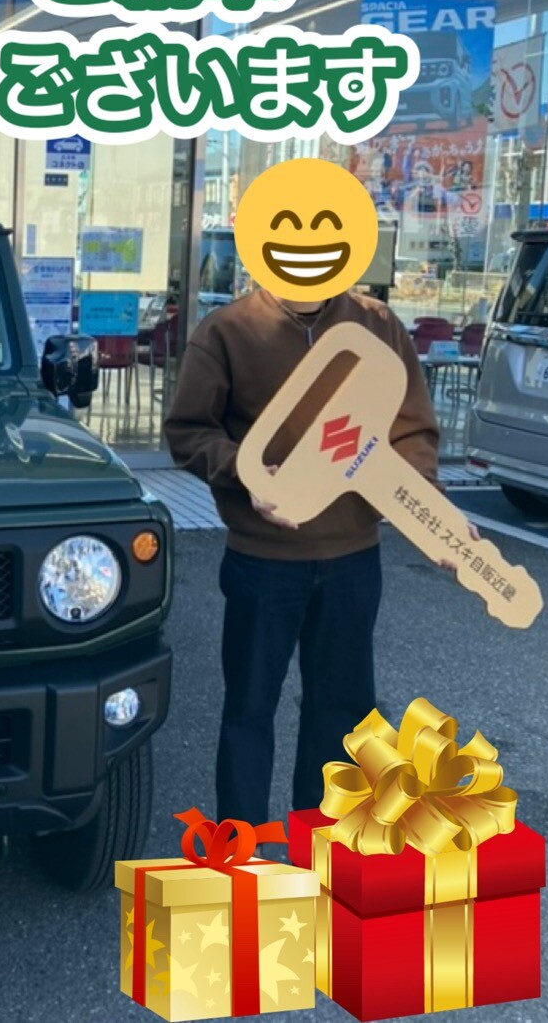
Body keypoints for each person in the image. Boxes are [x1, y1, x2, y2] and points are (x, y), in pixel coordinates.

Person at [163, 283, 450, 834]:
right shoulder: (228, 330)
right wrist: (242, 469)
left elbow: (410, 428)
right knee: (249, 710)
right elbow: (189, 430)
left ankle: (321, 851)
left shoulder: (377, 323)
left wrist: (428, 506)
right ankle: (242, 856)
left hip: (353, 556)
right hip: (262, 558)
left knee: (342, 712)